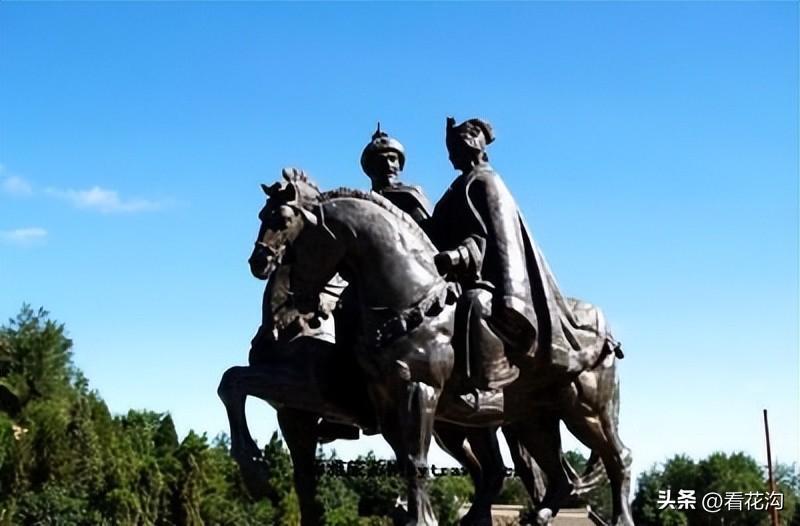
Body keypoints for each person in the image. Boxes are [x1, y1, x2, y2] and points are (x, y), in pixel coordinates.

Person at [426, 117, 617, 414]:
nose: (453, 155)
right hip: (454, 276)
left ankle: (489, 383)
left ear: (474, 147)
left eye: (458, 148)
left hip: (485, 277)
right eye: (452, 150)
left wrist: (461, 255)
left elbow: (497, 238)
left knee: (476, 304)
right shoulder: (455, 189)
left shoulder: (486, 181)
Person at [360, 123, 432, 222]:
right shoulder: (364, 203)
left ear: (400, 165)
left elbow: (430, 228)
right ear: (369, 168)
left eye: (392, 159)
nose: (388, 165)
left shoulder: (409, 196)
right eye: (381, 160)